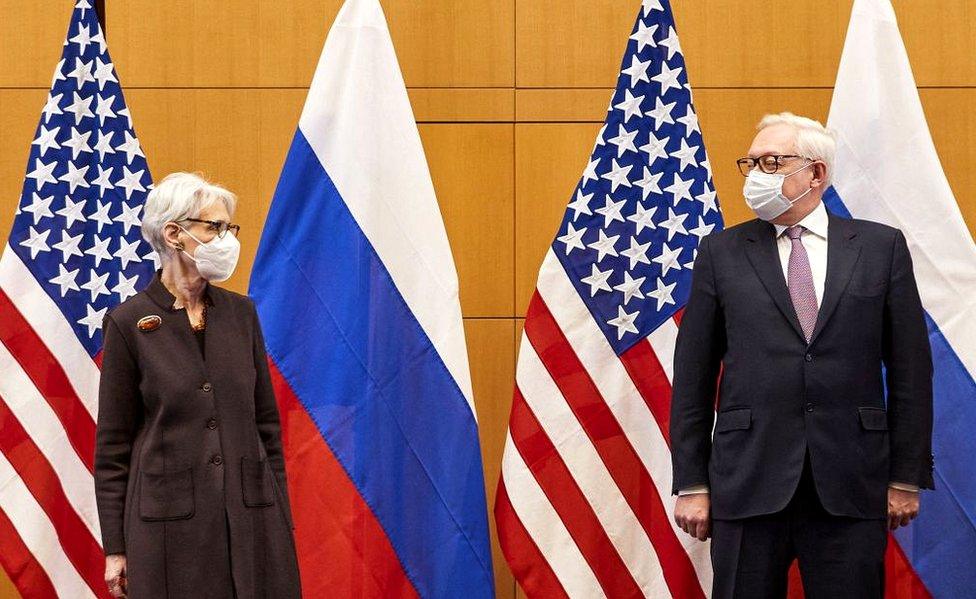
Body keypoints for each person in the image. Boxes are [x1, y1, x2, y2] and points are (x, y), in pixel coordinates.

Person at [670, 113, 934, 598]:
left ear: (816, 173)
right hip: (747, 480)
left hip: (851, 480)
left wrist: (905, 476)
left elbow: (912, 371)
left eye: (772, 162)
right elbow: (692, 374)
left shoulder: (880, 248)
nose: (756, 176)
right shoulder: (721, 252)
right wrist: (691, 482)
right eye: (750, 164)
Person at [94, 172, 301, 598]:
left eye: (229, 228)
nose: (226, 239)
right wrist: (115, 548)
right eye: (214, 227)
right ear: (174, 233)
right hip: (167, 529)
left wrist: (279, 513)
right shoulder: (128, 323)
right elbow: (113, 449)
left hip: (252, 520)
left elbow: (267, 425)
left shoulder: (242, 315)